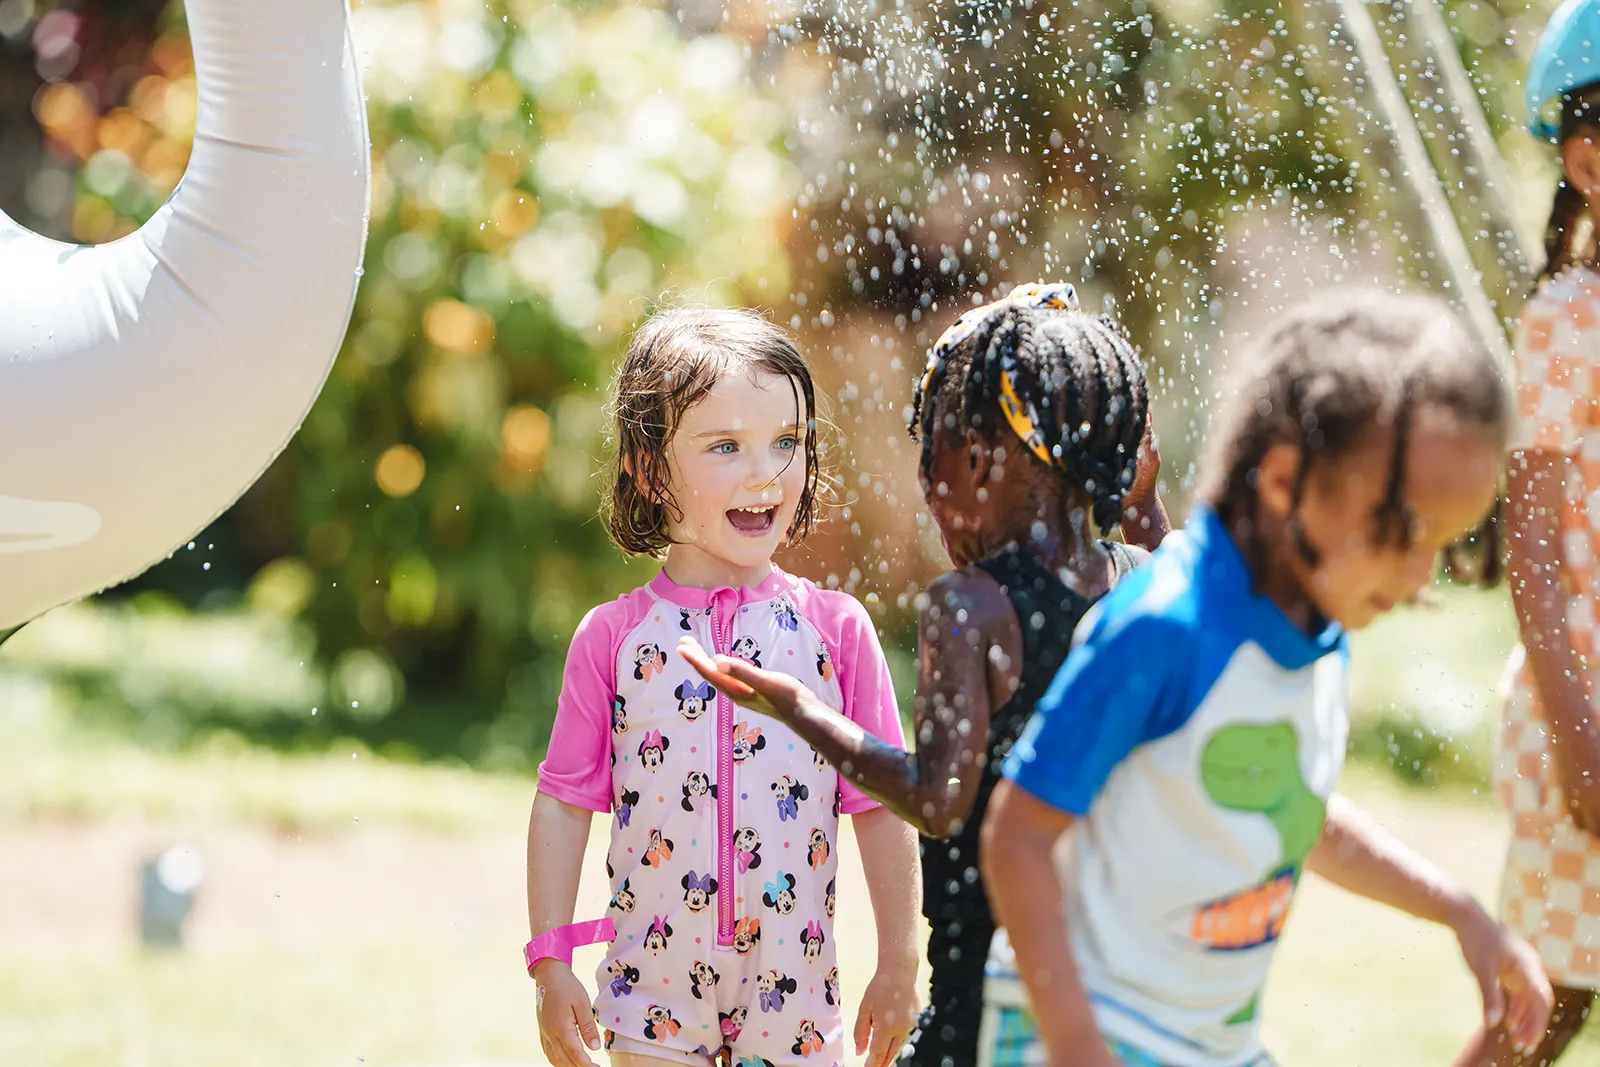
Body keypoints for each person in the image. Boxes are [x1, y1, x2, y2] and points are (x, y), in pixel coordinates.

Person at [982, 290, 1555, 1067]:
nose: (1423, 574)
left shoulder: (1316, 628)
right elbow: (1017, 834)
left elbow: (1288, 808)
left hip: (1212, 1044)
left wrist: (1462, 915)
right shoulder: (1166, 628)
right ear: (1286, 483)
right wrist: (1077, 1042)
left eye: (1447, 546)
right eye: (1407, 532)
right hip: (1087, 1028)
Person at [678, 282, 1171, 1067]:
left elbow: (941, 803)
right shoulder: (1143, 580)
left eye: (928, 452)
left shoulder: (972, 605)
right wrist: (1144, 495)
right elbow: (1175, 574)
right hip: (1119, 987)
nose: (923, 484)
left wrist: (804, 710)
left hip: (988, 993)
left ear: (973, 457)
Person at [524, 306, 922, 1067]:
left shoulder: (836, 633)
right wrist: (550, 959)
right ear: (649, 467)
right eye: (726, 446)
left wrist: (901, 959)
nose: (765, 471)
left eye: (785, 442)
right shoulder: (613, 639)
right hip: (654, 990)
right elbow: (563, 802)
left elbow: (882, 806)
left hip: (797, 995)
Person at [1460, 3, 1600, 1062]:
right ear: (1587, 158)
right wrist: (1572, 732)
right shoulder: (1567, 319)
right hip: (1583, 709)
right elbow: (1537, 547)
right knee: (1544, 1004)